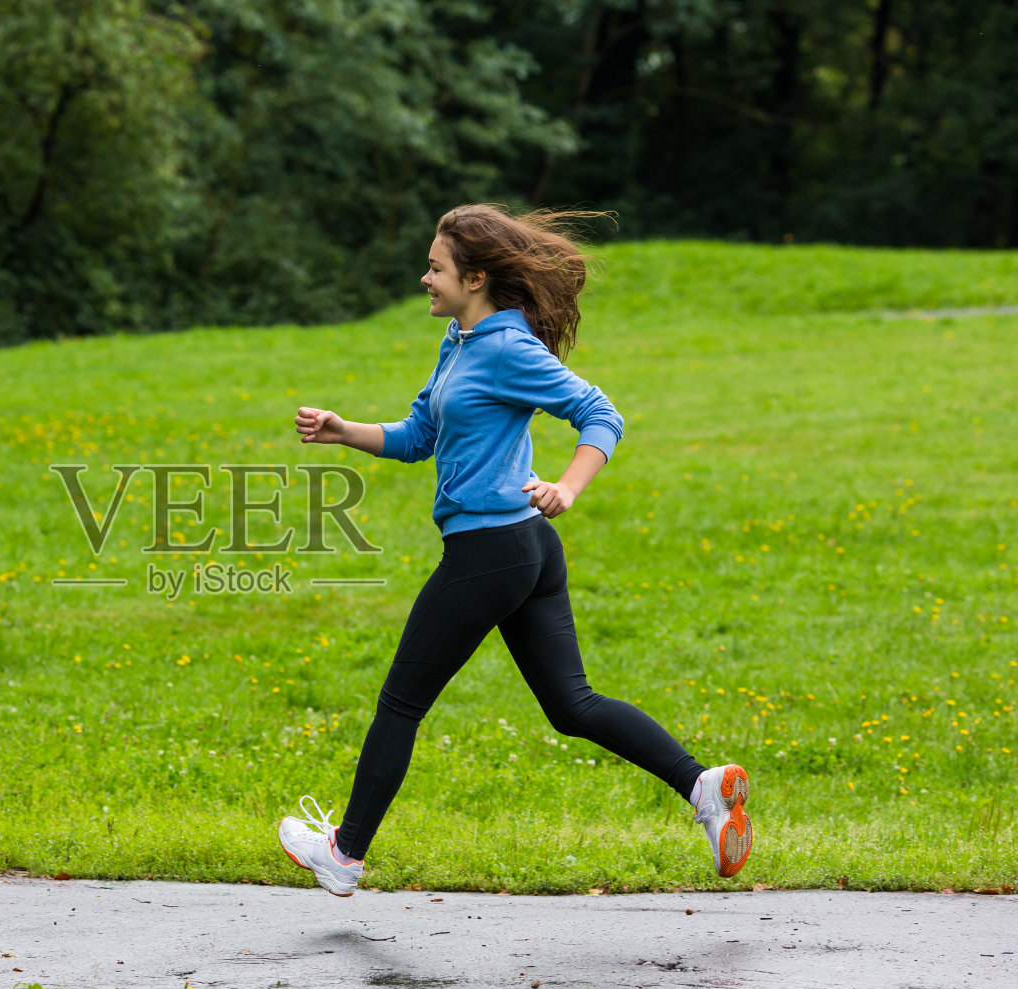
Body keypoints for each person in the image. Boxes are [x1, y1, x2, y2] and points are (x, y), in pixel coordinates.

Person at [277, 203, 752, 897]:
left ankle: (344, 855)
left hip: (491, 550)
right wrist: (344, 429)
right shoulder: (461, 341)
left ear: (474, 278)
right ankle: (701, 786)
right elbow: (419, 435)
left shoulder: (506, 349)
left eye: (436, 268)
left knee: (400, 703)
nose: (424, 279)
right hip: (524, 549)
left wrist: (568, 486)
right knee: (572, 705)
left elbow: (601, 414)